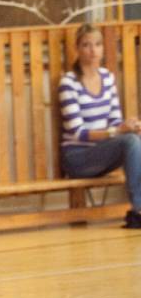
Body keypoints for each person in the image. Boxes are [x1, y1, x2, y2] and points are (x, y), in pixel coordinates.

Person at [59, 23, 141, 229]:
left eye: (97, 44)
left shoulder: (107, 78)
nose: (93, 50)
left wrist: (128, 126)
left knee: (135, 138)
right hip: (77, 157)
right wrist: (118, 132)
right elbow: (78, 133)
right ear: (77, 49)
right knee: (130, 142)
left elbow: (114, 121)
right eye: (86, 45)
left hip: (102, 151)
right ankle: (139, 211)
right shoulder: (69, 83)